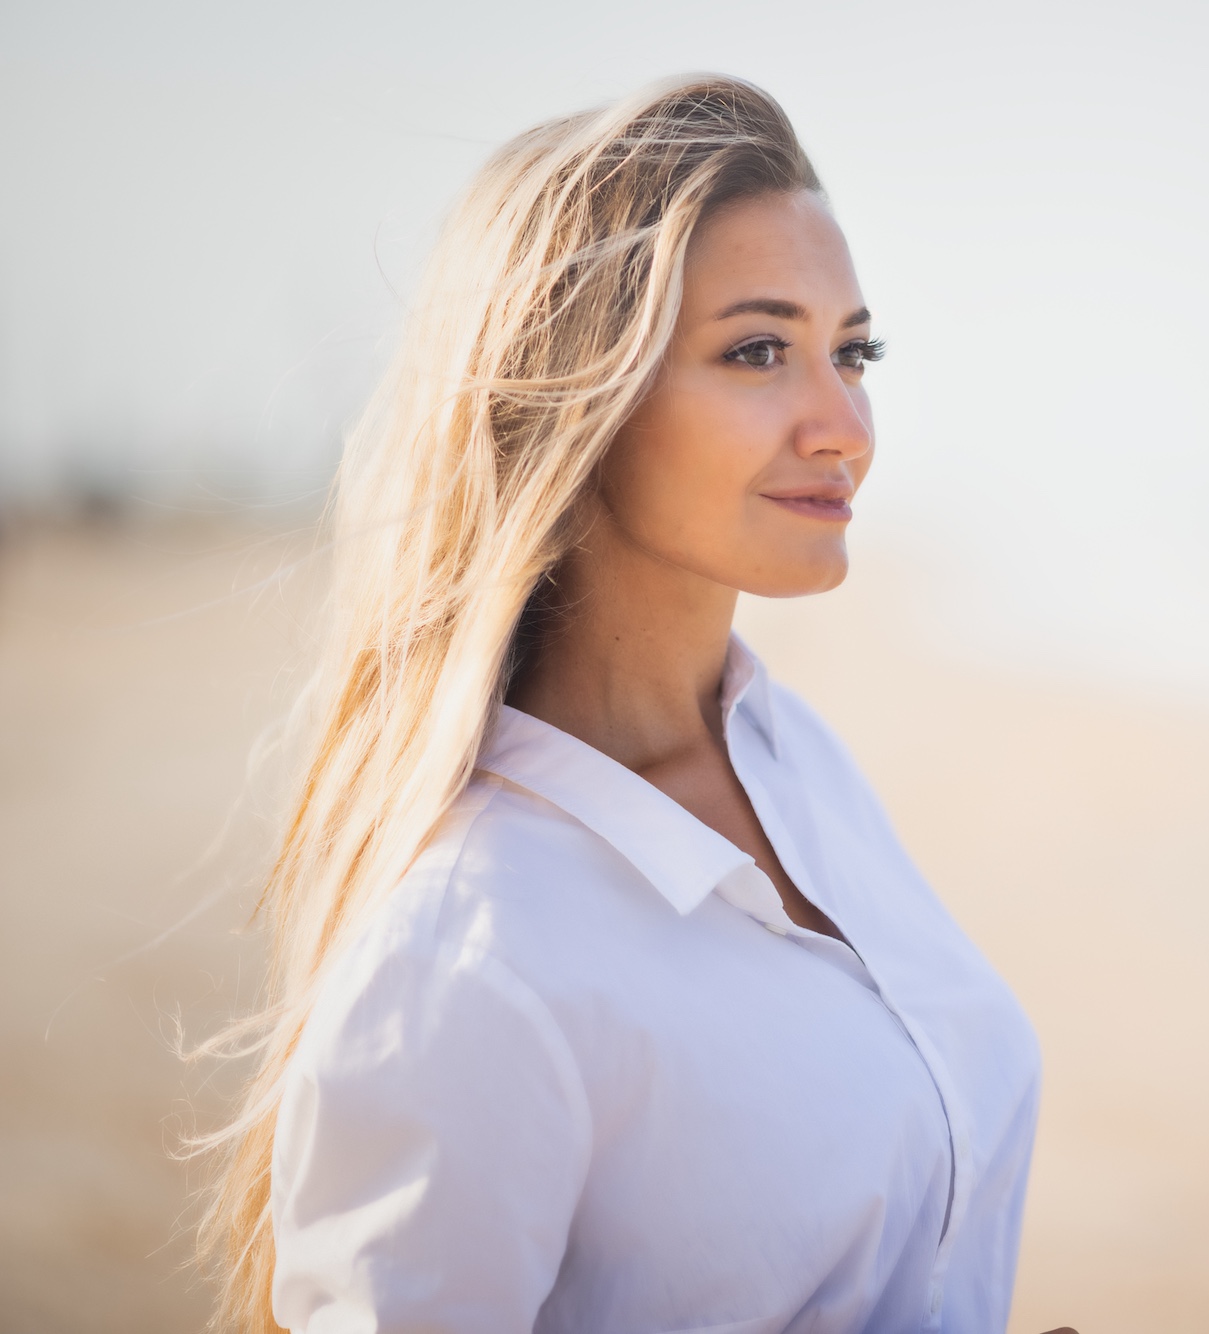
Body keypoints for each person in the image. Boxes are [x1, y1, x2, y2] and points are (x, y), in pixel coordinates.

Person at [196, 75, 1067, 1334]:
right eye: (758, 350)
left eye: (852, 350)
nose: (845, 425)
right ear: (574, 394)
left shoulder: (791, 753)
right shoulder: (468, 962)